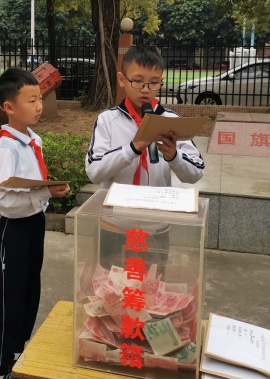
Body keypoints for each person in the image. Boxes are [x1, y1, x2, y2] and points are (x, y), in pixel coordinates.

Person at [0, 68, 70, 379]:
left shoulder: (34, 140)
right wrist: (45, 192)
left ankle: (17, 359)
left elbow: (31, 187)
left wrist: (46, 191)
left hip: (34, 224)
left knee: (29, 293)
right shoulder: (7, 149)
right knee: (10, 300)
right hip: (14, 230)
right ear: (9, 107)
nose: (39, 106)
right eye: (31, 100)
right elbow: (2, 200)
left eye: (40, 98)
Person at [85, 44, 205, 266]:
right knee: (112, 286)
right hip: (114, 225)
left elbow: (196, 172)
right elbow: (94, 172)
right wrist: (132, 149)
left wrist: (174, 157)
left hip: (155, 227)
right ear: (122, 79)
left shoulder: (172, 121)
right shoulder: (107, 120)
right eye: (138, 81)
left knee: (152, 286)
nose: (145, 89)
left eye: (154, 82)